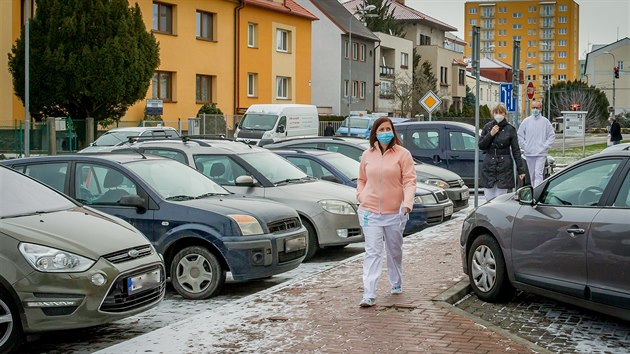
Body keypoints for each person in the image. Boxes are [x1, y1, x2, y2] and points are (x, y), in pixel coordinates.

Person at [356, 117, 416, 307]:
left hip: (394, 213)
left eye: (388, 128)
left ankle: (396, 282)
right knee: (372, 252)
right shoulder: (367, 155)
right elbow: (361, 179)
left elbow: (409, 181)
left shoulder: (403, 154)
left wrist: (407, 203)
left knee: (394, 250)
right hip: (370, 211)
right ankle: (369, 293)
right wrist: (361, 195)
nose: (384, 132)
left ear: (393, 131)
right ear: (375, 133)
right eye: (381, 129)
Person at [479, 104, 526, 201]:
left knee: (500, 198)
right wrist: (490, 134)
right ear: (493, 114)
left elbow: (515, 150)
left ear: (505, 114)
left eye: (501, 112)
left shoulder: (510, 129)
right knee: (489, 197)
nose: (498, 115)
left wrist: (520, 169)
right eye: (496, 112)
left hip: (504, 165)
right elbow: (481, 145)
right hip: (489, 165)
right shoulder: (488, 127)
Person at [518, 100, 555, 187]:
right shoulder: (526, 121)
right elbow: (520, 135)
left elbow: (551, 136)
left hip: (541, 153)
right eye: (533, 108)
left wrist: (545, 146)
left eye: (537, 108)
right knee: (532, 175)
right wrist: (525, 146)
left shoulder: (545, 122)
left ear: (541, 108)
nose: (535, 110)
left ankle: (536, 190)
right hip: (529, 153)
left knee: (538, 174)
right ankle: (534, 190)